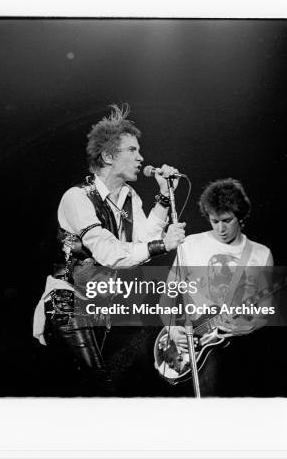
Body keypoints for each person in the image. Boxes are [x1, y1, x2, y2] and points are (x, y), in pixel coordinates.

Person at [33, 103, 185, 395]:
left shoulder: (130, 196)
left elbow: (140, 240)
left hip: (103, 306)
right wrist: (162, 244)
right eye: (132, 150)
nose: (141, 157)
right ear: (107, 156)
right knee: (98, 385)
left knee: (119, 379)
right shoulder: (77, 198)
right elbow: (110, 253)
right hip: (70, 305)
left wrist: (165, 199)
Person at [164, 178, 274, 396]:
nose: (220, 228)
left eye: (227, 220)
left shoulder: (261, 253)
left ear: (240, 216)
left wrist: (253, 325)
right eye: (214, 221)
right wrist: (170, 327)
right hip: (198, 348)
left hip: (243, 348)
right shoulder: (191, 244)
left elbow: (267, 308)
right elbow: (167, 295)